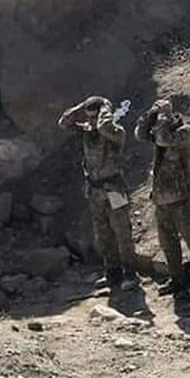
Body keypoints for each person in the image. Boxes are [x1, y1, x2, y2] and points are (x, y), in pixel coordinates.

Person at [58, 95, 138, 291]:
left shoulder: (114, 131)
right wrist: (81, 105)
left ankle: (130, 273)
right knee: (102, 233)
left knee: (121, 232)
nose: (91, 121)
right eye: (89, 117)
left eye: (95, 117)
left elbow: (104, 128)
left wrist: (105, 109)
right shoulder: (87, 131)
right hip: (94, 189)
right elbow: (63, 122)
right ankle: (112, 272)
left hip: (114, 187)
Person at [134, 98, 190, 299]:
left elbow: (163, 140)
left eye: (164, 119)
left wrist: (163, 117)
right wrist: (151, 113)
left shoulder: (187, 133)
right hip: (162, 199)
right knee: (168, 243)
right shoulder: (161, 130)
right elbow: (140, 134)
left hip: (183, 199)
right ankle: (177, 279)